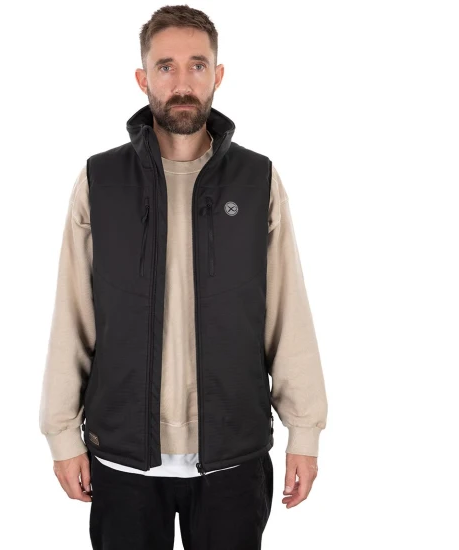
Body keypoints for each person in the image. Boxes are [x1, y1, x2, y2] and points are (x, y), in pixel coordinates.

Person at [39, 5, 328, 549]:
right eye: (165, 66)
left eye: (197, 65)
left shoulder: (257, 179)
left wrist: (305, 431)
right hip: (122, 458)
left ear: (218, 75)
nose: (182, 83)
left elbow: (287, 312)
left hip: (232, 459)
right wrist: (62, 434)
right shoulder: (101, 180)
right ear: (142, 78)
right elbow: (72, 314)